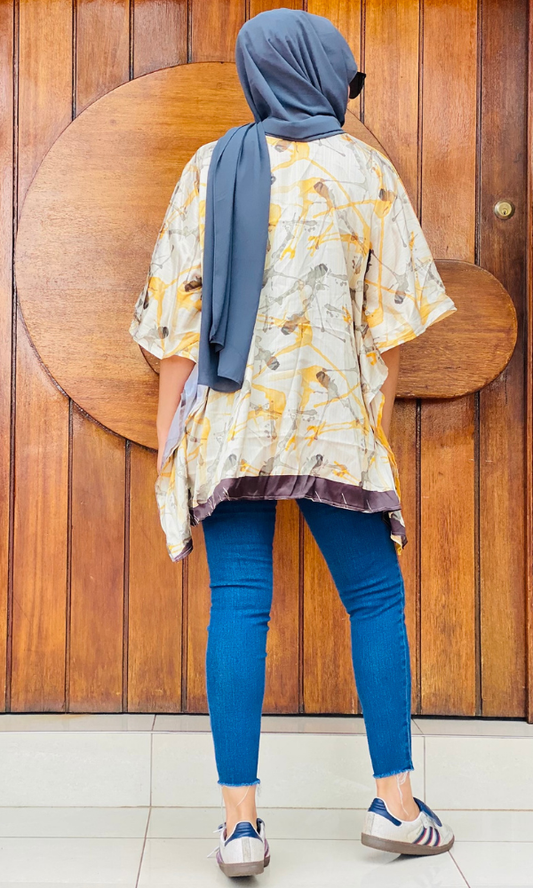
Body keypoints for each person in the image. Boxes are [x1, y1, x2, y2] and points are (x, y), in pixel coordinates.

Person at [129, 8, 457, 878]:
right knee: (375, 601)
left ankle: (240, 828)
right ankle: (395, 808)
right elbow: (390, 327)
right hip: (334, 423)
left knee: (238, 603)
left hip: (229, 422)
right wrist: (372, 428)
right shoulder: (366, 170)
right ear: (321, 74)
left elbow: (177, 318)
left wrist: (168, 429)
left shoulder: (212, 166)